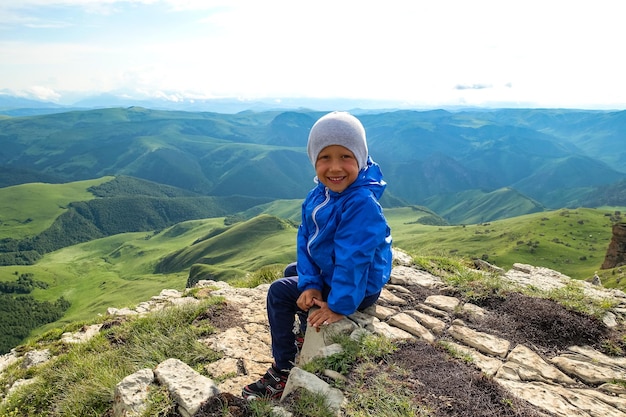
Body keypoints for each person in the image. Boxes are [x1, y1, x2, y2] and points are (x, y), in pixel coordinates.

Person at [242, 111, 393, 400]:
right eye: (325, 157)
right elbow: (307, 239)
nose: (335, 167)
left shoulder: (361, 204)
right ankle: (305, 326)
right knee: (293, 273)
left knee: (278, 292)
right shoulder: (321, 194)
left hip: (357, 289)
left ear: (360, 158)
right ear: (314, 159)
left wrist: (339, 305)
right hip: (335, 274)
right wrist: (310, 283)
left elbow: (355, 261)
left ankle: (283, 368)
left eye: (345, 157)